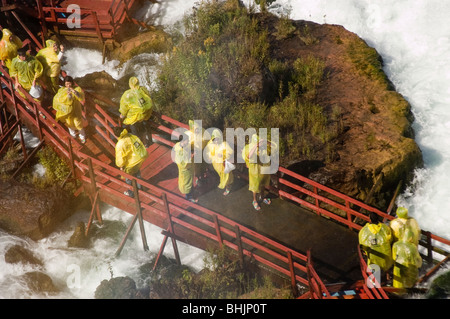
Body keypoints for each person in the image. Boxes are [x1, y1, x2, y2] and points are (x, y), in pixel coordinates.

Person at [241, 134, 276, 211]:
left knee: (263, 185)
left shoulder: (264, 148)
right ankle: (254, 200)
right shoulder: (248, 148)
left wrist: (266, 141)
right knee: (255, 187)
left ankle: (262, 197)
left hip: (263, 169)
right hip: (254, 171)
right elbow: (248, 156)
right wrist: (255, 146)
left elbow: (274, 146)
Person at [113, 126, 149, 197]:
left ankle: (132, 193)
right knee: (137, 174)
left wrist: (121, 166)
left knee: (129, 179)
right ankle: (140, 188)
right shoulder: (130, 136)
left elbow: (120, 159)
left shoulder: (120, 144)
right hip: (138, 158)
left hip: (130, 163)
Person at [119, 76, 153, 147]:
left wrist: (122, 115)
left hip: (133, 117)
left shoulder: (127, 94)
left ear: (130, 84)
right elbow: (148, 98)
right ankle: (146, 143)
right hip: (144, 115)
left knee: (135, 132)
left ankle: (139, 147)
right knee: (143, 129)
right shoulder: (143, 89)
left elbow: (124, 107)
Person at [358, 212, 394, 278]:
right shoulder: (385, 228)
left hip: (372, 256)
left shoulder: (364, 230)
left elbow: (362, 243)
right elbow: (390, 239)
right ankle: (387, 278)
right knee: (387, 265)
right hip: (385, 254)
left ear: (370, 219)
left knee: (373, 270)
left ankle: (375, 282)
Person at [52, 76, 86, 143]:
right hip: (67, 110)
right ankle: (73, 136)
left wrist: (74, 91)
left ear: (72, 83)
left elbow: (81, 97)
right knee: (69, 123)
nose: (68, 85)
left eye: (69, 84)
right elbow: (59, 99)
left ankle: (82, 136)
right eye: (67, 84)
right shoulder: (62, 90)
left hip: (76, 109)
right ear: (64, 84)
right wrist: (68, 96)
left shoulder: (77, 88)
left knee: (78, 123)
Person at [205, 129, 234, 196]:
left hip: (223, 164)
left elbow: (230, 152)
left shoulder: (224, 144)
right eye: (215, 140)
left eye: (218, 139)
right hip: (216, 164)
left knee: (226, 177)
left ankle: (228, 188)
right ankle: (227, 185)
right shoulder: (210, 144)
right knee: (222, 175)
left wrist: (223, 155)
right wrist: (209, 156)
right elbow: (208, 151)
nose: (217, 141)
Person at [173, 133, 197, 203]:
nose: (188, 141)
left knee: (190, 180)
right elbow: (183, 163)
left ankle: (191, 193)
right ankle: (189, 197)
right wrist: (191, 156)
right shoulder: (180, 151)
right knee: (186, 183)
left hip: (189, 167)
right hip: (185, 169)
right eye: (187, 140)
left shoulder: (179, 145)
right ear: (183, 141)